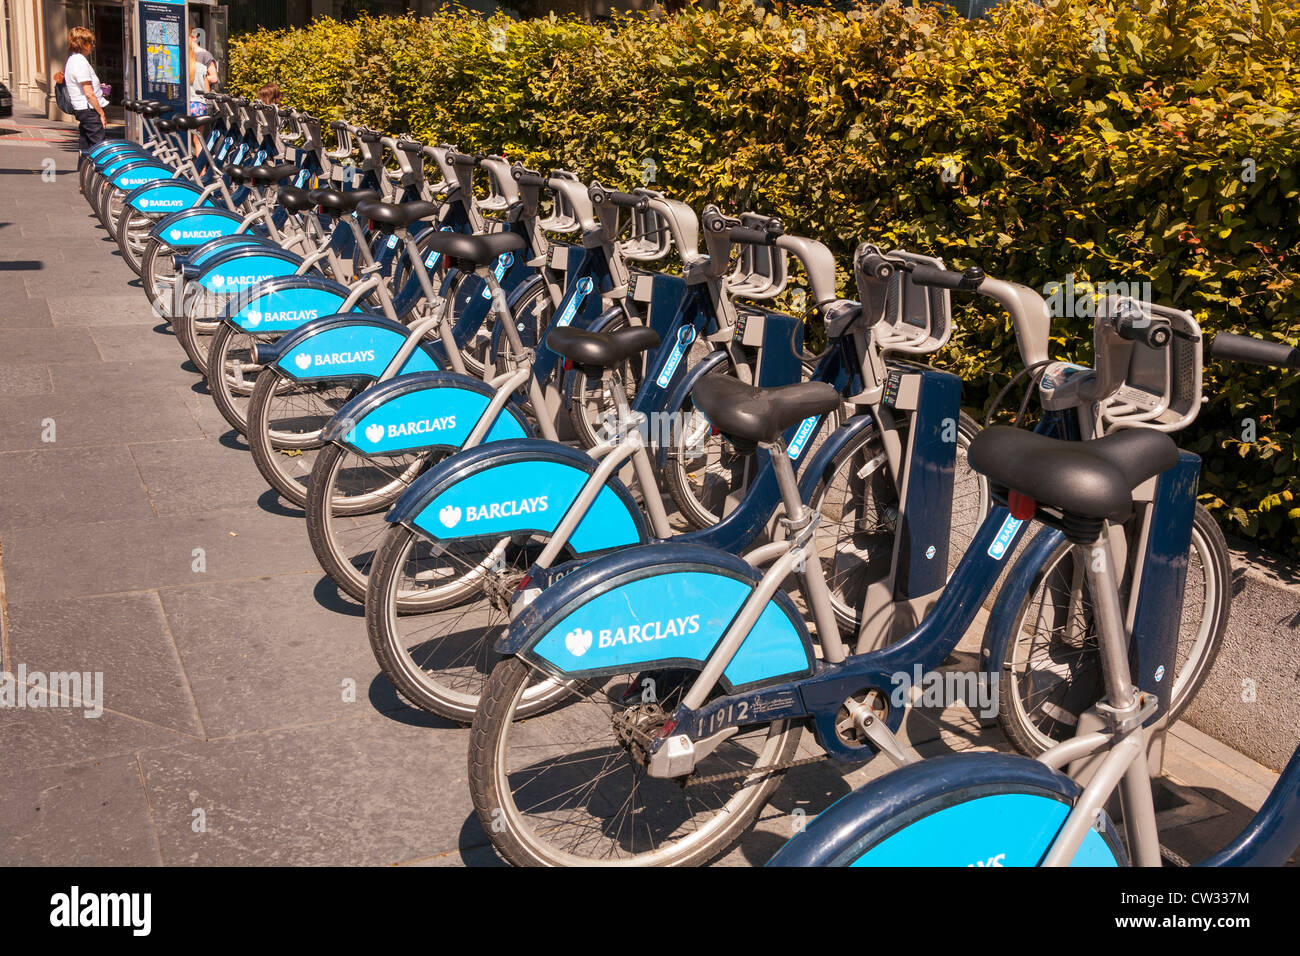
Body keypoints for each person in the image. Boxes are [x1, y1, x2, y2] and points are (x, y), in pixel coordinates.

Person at [54, 27, 108, 162]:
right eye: (91, 42)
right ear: (83, 43)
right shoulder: (80, 62)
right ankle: (105, 181)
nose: (93, 46)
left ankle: (84, 180)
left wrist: (98, 87)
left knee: (86, 146)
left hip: (83, 109)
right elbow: (88, 93)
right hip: (89, 109)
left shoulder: (73, 60)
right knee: (100, 147)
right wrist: (101, 113)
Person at [187, 28, 218, 152]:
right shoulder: (200, 67)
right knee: (198, 138)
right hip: (199, 103)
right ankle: (202, 169)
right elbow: (207, 87)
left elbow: (213, 77)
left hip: (189, 102)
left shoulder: (203, 55)